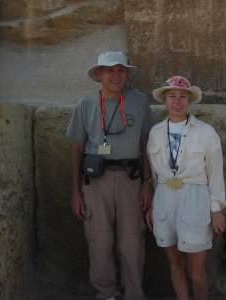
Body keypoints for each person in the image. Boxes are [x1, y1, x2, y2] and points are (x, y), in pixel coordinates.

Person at [66, 51, 155, 300]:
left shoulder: (138, 101)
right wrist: (75, 192)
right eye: (109, 70)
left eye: (120, 70)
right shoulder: (86, 104)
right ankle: (106, 294)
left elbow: (146, 142)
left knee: (132, 242)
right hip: (96, 182)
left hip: (131, 179)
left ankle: (134, 294)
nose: (116, 75)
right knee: (99, 240)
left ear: (126, 74)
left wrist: (148, 183)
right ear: (98, 74)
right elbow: (76, 149)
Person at [146, 76, 226, 300]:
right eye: (172, 96)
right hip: (164, 197)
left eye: (182, 96)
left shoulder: (206, 132)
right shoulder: (155, 133)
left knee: (197, 270)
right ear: (165, 100)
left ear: (189, 101)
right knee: (174, 263)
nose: (177, 101)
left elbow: (215, 172)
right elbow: (153, 175)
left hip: (195, 198)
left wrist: (216, 208)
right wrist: (152, 205)